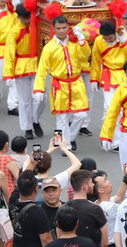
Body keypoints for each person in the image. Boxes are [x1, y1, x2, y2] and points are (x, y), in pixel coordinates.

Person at [34, 16, 91, 152]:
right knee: (62, 117)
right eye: (58, 28)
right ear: (53, 29)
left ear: (68, 27)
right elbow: (42, 70)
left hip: (76, 83)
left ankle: (69, 138)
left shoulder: (74, 43)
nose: (61, 31)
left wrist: (82, 40)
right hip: (59, 85)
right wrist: (38, 89)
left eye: (64, 27)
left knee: (82, 115)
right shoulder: (49, 47)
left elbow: (85, 55)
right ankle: (66, 146)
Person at [4, 4, 43, 139]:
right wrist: (8, 74)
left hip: (37, 65)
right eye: (25, 18)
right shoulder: (14, 31)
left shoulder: (36, 26)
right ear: (19, 17)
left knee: (41, 98)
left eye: (29, 17)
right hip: (21, 67)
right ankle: (27, 128)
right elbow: (9, 53)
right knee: (24, 100)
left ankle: (35, 119)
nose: (27, 20)